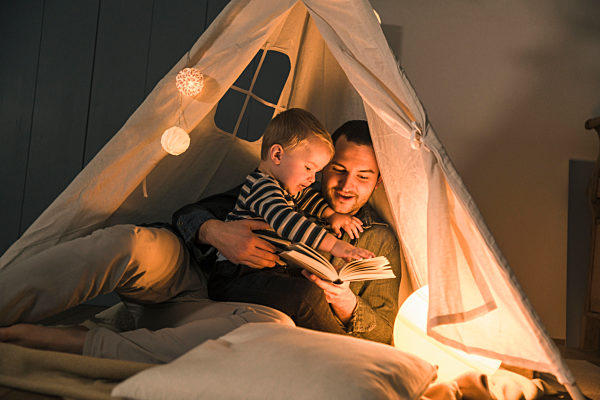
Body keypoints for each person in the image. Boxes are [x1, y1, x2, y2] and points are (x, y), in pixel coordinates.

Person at [0, 119, 402, 362]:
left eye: (363, 176)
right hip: (190, 270)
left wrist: (348, 306)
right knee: (133, 243)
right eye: (336, 169)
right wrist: (217, 232)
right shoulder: (284, 185)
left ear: (377, 181)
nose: (346, 184)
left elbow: (385, 334)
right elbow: (188, 214)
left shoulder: (378, 239)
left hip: (230, 308)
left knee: (267, 327)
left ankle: (75, 344)